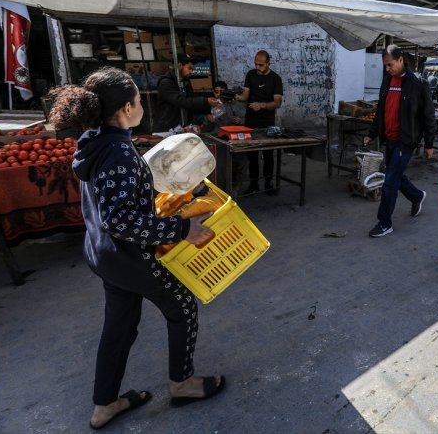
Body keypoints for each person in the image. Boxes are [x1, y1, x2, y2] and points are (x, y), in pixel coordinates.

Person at [46, 67, 225, 430]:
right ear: (127, 108)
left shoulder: (93, 140)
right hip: (131, 258)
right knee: (183, 308)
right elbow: (120, 220)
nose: (142, 106)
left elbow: (115, 204)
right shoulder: (119, 154)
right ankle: (182, 383)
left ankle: (105, 404)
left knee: (120, 327)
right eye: (140, 101)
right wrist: (181, 228)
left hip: (104, 255)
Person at [364, 44, 436, 238]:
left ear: (400, 59)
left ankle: (384, 222)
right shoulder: (387, 79)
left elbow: (428, 115)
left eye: (390, 65)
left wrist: (429, 143)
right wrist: (372, 133)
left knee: (390, 182)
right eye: (385, 66)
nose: (387, 69)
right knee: (393, 174)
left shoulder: (418, 83)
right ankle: (417, 195)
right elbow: (381, 109)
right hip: (390, 138)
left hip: (406, 140)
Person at [234, 50, 283, 195]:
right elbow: (245, 95)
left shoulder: (275, 79)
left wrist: (261, 105)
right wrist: (236, 97)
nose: (257, 67)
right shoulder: (251, 74)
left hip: (267, 120)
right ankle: (254, 183)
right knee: (252, 153)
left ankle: (268, 182)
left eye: (261, 65)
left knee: (268, 153)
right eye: (255, 64)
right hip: (251, 120)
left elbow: (277, 103)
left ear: (269, 63)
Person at [156, 54, 221, 132]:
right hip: (168, 128)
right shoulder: (166, 82)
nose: (191, 72)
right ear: (179, 66)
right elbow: (181, 101)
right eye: (189, 68)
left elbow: (191, 101)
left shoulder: (186, 82)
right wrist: (205, 100)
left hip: (183, 126)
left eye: (192, 69)